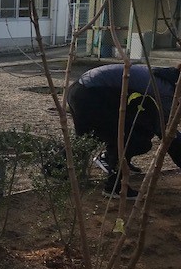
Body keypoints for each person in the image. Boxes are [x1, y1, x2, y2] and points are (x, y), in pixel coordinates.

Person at [67, 63, 181, 199]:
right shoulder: (166, 91)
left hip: (81, 89)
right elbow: (168, 133)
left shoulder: (165, 76)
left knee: (89, 138)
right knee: (132, 140)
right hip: (91, 94)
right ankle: (115, 187)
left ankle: (57, 168)